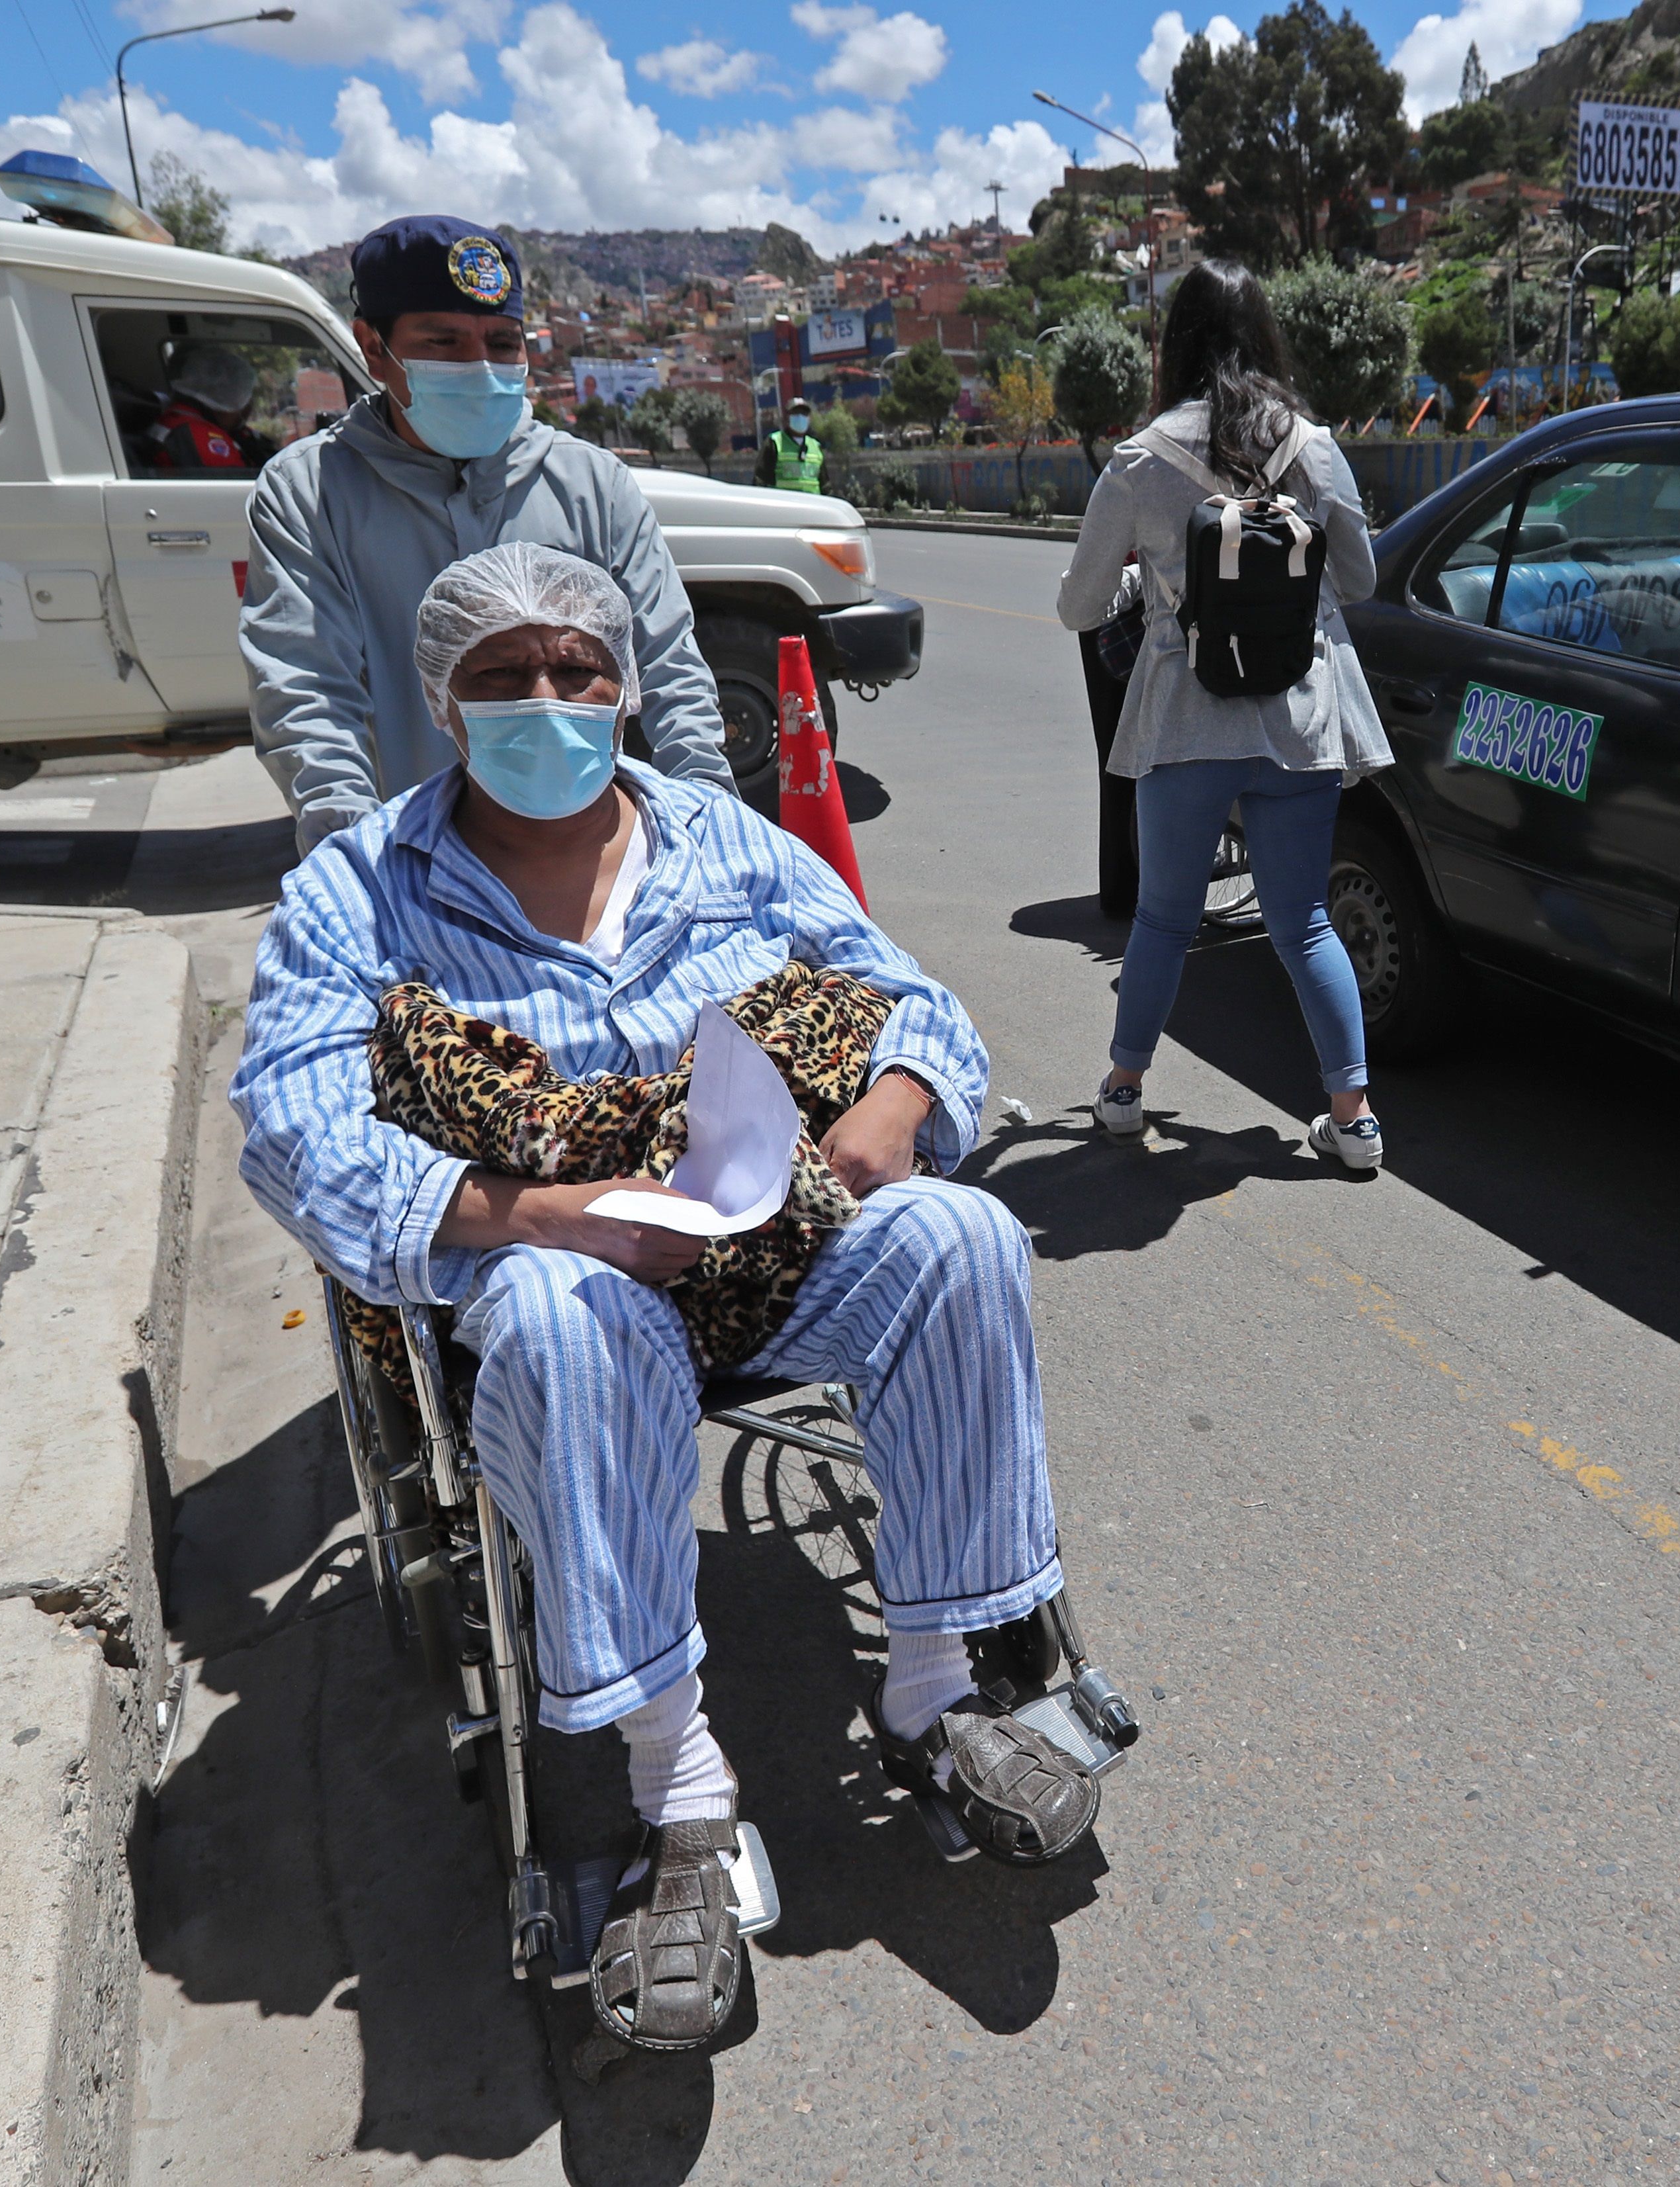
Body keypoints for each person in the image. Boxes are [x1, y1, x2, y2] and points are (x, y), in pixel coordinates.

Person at [232, 542, 1100, 2049]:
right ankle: (676, 1802)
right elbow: (295, 1129)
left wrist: (890, 1110)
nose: (548, 703)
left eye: (578, 671)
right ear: (446, 700)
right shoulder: (356, 888)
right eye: (505, 678)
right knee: (569, 1322)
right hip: (559, 1279)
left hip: (763, 1250)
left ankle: (932, 1692)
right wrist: (556, 1217)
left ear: (626, 684)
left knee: (957, 1236)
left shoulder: (720, 836)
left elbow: (904, 991)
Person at [240, 214, 734, 854]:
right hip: (415, 865)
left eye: (502, 344)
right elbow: (305, 695)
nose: (478, 366)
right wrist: (359, 865)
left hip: (591, 860)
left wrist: (713, 826)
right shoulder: (310, 493)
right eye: (443, 342)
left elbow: (669, 666)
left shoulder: (593, 484)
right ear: (371, 346)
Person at [1052, 261, 1391, 1173]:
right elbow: (1357, 580)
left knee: (1165, 920)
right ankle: (1354, 1121)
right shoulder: (1314, 448)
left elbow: (1079, 608)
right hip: (1299, 724)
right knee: (1304, 923)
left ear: (1177, 344)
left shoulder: (1139, 458)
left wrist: (1149, 585)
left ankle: (1124, 1092)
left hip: (1184, 725)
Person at [144, 342, 269, 471]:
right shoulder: (198, 436)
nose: (245, 412)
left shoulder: (179, 420)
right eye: (241, 404)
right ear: (221, 400)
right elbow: (231, 486)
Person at [757, 397, 825, 492]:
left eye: (804, 414)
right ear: (787, 417)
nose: (800, 417)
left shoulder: (816, 446)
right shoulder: (774, 442)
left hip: (812, 505)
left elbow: (825, 485)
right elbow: (761, 479)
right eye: (796, 413)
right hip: (785, 504)